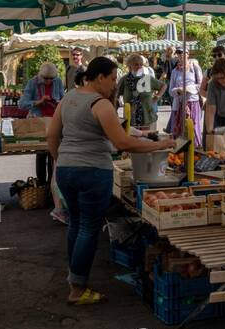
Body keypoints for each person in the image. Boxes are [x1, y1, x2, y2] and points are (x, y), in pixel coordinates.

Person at [48, 56, 174, 306]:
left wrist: (61, 158)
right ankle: (77, 288)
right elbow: (122, 143)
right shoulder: (101, 104)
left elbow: (51, 135)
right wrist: (160, 145)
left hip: (66, 170)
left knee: (75, 224)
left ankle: (74, 275)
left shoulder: (68, 98)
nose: (114, 84)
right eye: (113, 78)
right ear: (99, 77)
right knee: (88, 228)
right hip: (93, 171)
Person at [167, 49, 205, 149]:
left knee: (193, 127)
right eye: (178, 53)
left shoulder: (194, 67)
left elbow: (201, 86)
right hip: (179, 103)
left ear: (188, 54)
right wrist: (178, 90)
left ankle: (195, 149)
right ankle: (180, 151)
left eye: (183, 52)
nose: (181, 55)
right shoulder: (175, 71)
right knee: (179, 129)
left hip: (193, 101)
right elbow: (170, 90)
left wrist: (188, 88)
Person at [116, 54, 162, 130]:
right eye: (136, 65)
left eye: (141, 64)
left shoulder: (147, 78)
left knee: (148, 140)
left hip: (148, 118)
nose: (139, 67)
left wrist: (156, 98)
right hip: (130, 119)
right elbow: (115, 95)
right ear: (129, 66)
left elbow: (163, 86)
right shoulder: (124, 80)